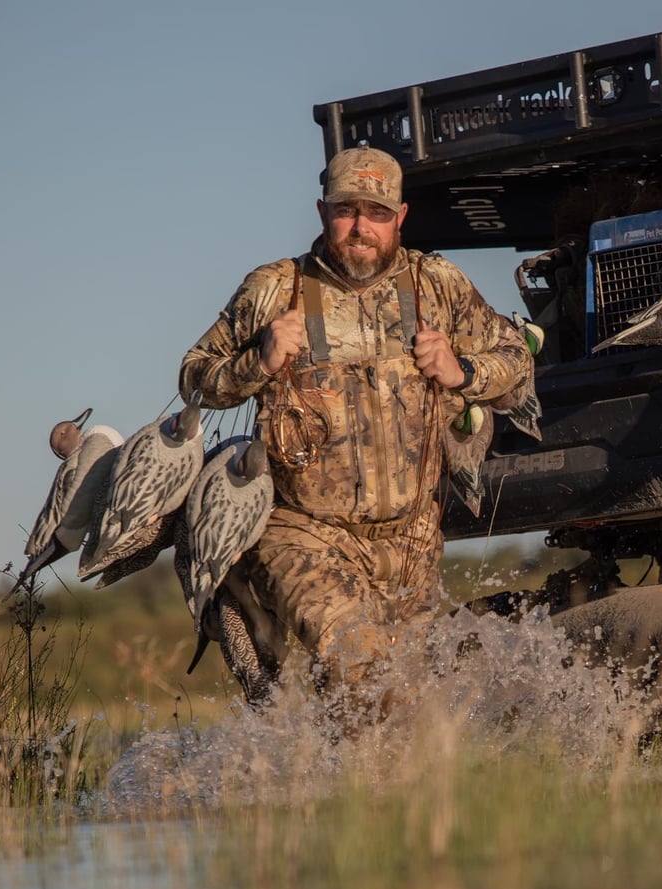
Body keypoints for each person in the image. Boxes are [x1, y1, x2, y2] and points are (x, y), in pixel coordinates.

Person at [179, 144, 532, 702]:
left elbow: (517, 362)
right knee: (363, 668)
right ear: (322, 212)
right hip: (305, 533)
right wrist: (259, 362)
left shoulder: (437, 284)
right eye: (347, 210)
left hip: (412, 540)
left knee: (395, 707)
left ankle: (318, 780)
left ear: (401, 218)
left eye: (377, 213)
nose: (360, 227)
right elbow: (194, 378)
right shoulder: (275, 289)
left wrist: (461, 371)